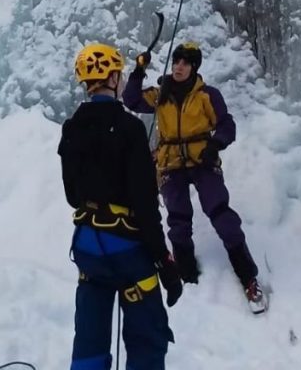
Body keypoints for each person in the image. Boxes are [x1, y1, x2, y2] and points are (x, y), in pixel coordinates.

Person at [59, 43, 182, 370]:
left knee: (89, 340)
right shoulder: (130, 128)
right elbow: (144, 203)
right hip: (128, 253)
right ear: (113, 77)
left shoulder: (71, 128)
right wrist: (164, 261)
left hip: (88, 248)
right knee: (147, 339)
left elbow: (73, 195)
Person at [124, 41, 267, 314]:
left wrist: (216, 144)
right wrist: (138, 70)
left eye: (185, 63)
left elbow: (227, 124)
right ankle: (186, 275)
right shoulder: (160, 94)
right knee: (178, 220)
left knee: (221, 214)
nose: (179, 67)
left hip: (203, 161)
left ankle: (248, 277)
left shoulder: (207, 95)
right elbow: (130, 100)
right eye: (176, 61)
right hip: (171, 164)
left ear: (194, 67)